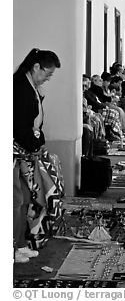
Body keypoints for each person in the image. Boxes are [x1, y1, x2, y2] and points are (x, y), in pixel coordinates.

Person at [13, 48, 63, 263]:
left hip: (26, 151)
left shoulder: (30, 86)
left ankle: (20, 243)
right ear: (35, 67)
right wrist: (35, 145)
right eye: (47, 73)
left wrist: (38, 142)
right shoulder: (18, 88)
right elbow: (19, 125)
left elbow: (34, 123)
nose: (48, 78)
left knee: (24, 200)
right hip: (17, 152)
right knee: (15, 200)